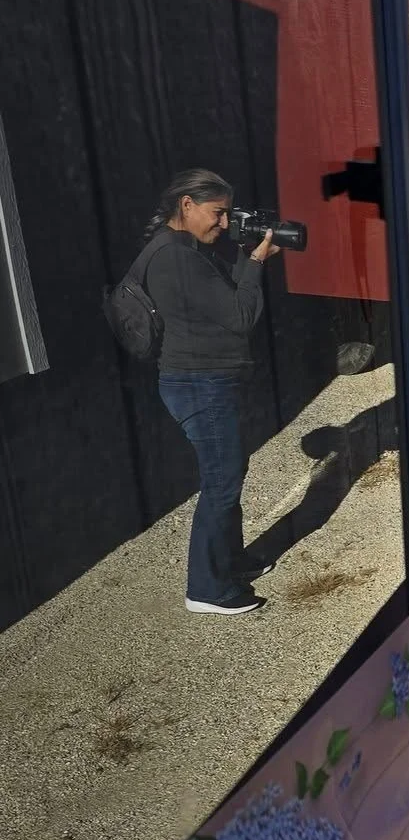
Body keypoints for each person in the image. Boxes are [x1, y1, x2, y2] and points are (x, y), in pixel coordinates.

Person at [141, 169, 280, 615]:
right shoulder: (175, 258)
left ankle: (230, 561)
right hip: (201, 383)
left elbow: (225, 302)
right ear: (187, 204)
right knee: (221, 482)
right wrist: (256, 262)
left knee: (229, 473)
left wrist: (244, 253)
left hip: (207, 379)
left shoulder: (186, 250)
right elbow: (240, 316)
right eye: (217, 213)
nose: (222, 223)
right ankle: (206, 589)